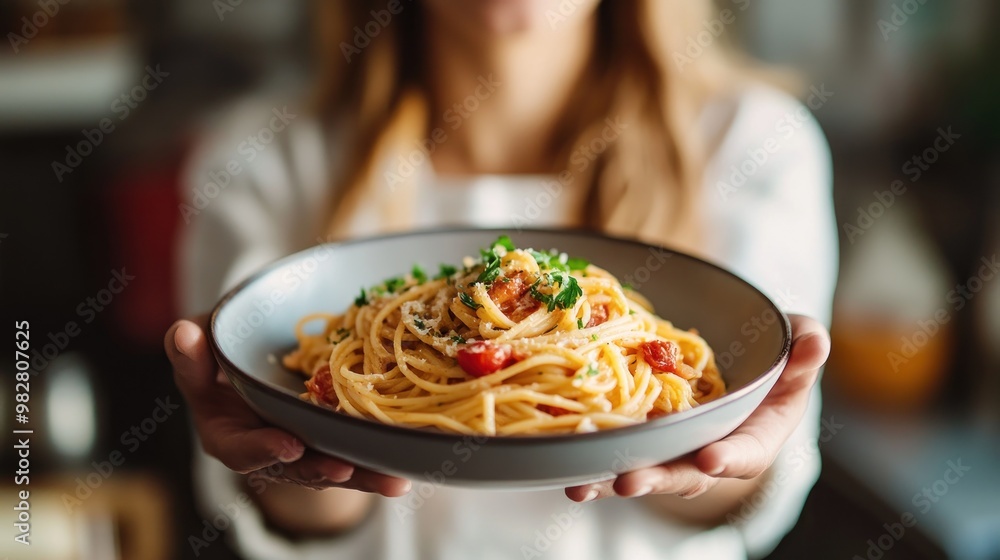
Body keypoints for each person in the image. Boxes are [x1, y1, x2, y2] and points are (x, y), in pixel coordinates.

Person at [166, 0, 836, 558]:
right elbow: (294, 503)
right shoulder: (254, 159)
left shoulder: (756, 143)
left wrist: (714, 459)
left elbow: (739, 484)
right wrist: (296, 463)